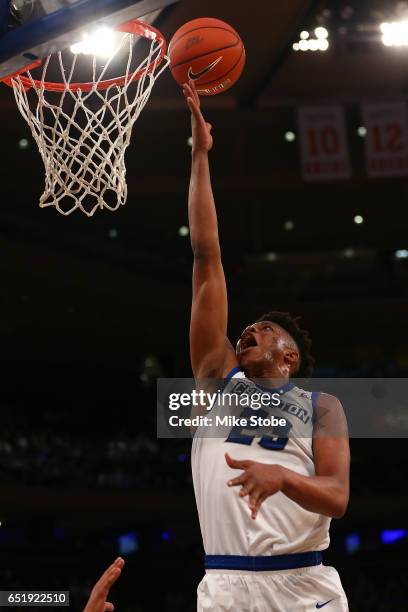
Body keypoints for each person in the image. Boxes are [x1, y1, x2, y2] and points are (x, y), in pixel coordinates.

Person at [182, 78, 350, 612]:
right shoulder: (217, 379)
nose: (246, 331)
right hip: (226, 585)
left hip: (302, 584)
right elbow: (207, 258)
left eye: (264, 330)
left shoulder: (322, 409)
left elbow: (338, 497)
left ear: (289, 357)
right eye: (246, 328)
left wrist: (280, 476)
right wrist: (200, 158)